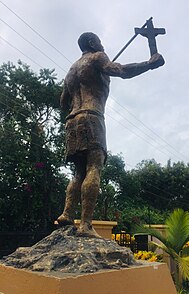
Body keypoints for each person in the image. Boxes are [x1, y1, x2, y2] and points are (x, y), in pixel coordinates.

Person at [57, 32, 165, 237]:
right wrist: (149, 64)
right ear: (91, 43)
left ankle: (67, 214)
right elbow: (122, 70)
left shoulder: (71, 71)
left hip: (71, 121)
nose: (102, 45)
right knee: (94, 166)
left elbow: (63, 102)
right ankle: (86, 225)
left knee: (79, 172)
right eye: (99, 41)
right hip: (91, 115)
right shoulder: (98, 57)